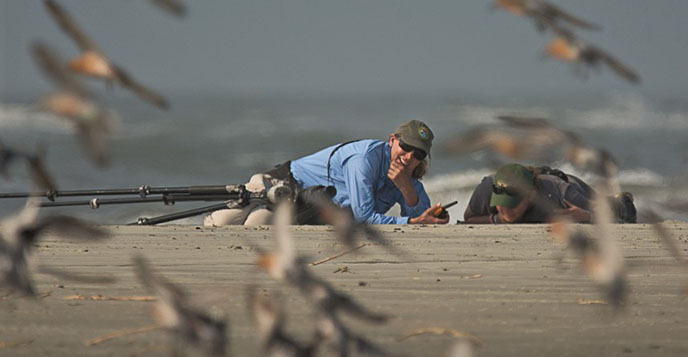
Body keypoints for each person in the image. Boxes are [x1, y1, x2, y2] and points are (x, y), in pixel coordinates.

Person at [204, 120, 449, 226]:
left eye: (418, 154)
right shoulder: (364, 159)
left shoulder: (408, 176)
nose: (408, 158)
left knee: (258, 225)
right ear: (392, 140)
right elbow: (364, 217)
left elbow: (423, 218)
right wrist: (413, 220)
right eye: (405, 148)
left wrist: (405, 187)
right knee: (222, 224)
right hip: (280, 186)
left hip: (304, 211)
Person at [463, 163, 637, 225]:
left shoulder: (563, 194)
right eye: (502, 204)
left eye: (513, 204)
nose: (506, 212)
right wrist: (497, 219)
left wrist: (585, 217)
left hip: (571, 185)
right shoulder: (488, 188)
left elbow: (612, 223)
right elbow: (468, 220)